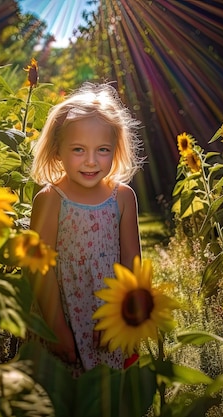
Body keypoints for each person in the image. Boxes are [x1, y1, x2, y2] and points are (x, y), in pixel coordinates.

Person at [28, 82, 144, 376]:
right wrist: (56, 329)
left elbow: (132, 264)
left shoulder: (123, 198)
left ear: (115, 150)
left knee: (108, 395)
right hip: (62, 315)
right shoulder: (51, 199)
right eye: (78, 149)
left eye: (102, 150)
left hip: (109, 318)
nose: (91, 161)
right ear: (57, 150)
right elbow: (39, 270)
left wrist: (120, 318)